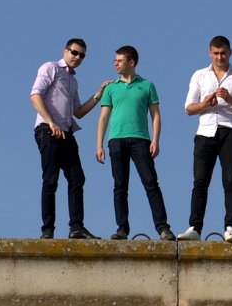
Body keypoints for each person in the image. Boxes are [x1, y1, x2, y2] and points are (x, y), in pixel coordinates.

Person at [30, 38, 113, 240]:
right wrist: (51, 122)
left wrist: (99, 94)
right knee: (51, 179)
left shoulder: (73, 81)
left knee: (77, 178)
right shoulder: (51, 68)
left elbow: (79, 112)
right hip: (48, 129)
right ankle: (47, 230)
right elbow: (35, 95)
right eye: (74, 52)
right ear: (65, 51)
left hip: (66, 132)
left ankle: (76, 228)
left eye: (82, 55)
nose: (77, 57)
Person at [176, 36, 232, 243]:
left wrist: (229, 98)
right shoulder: (199, 75)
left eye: (223, 53)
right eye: (216, 53)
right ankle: (195, 228)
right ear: (210, 53)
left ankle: (230, 227)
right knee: (200, 182)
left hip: (230, 131)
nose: (220, 57)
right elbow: (188, 108)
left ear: (230, 52)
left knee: (230, 181)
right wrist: (205, 104)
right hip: (205, 132)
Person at [95, 46, 175, 241]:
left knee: (151, 183)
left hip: (141, 140)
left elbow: (155, 115)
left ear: (131, 62)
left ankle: (163, 228)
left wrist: (156, 140)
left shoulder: (147, 85)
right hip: (116, 140)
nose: (115, 64)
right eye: (115, 60)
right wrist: (99, 144)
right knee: (120, 186)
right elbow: (103, 118)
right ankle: (122, 229)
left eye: (119, 60)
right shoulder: (111, 88)